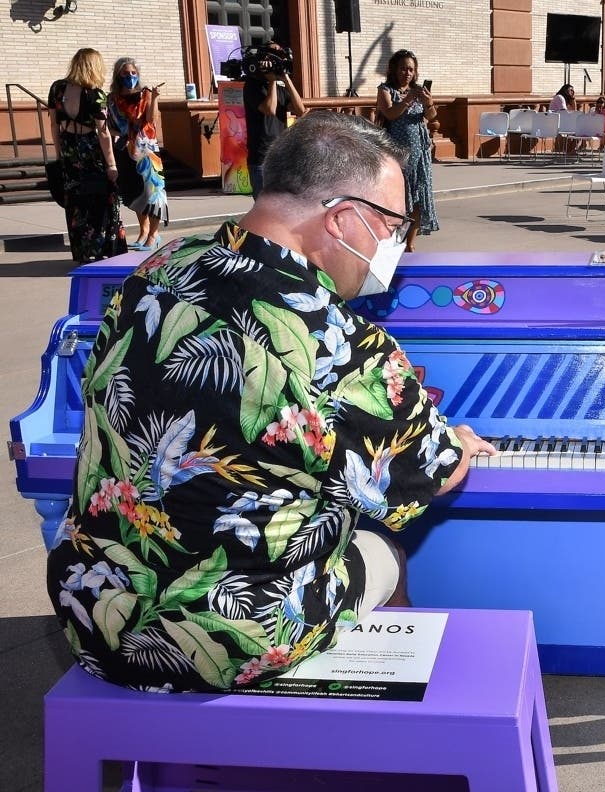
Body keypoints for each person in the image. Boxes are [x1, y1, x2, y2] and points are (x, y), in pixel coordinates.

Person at [45, 112, 497, 693]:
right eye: (390, 223)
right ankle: (376, 732)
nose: (395, 243)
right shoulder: (334, 338)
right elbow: (431, 472)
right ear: (341, 220)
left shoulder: (157, 268)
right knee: (383, 546)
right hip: (224, 642)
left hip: (93, 613)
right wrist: (454, 440)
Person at [47, 48, 127, 263]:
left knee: (76, 202)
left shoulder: (57, 88)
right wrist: (111, 164)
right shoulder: (96, 95)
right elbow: (103, 132)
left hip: (69, 150)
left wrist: (59, 154)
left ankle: (82, 251)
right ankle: (104, 248)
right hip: (91, 150)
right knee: (105, 198)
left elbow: (54, 125)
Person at [377, 49, 439, 252]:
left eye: (411, 69)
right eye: (403, 68)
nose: (407, 73)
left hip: (420, 152)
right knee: (398, 199)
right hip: (398, 153)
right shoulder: (386, 90)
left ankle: (410, 244)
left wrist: (428, 103)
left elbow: (431, 117)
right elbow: (390, 113)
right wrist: (407, 99)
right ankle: (395, 241)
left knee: (419, 197)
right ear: (395, 69)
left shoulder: (419, 90)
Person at [107, 57, 169, 251]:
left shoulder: (145, 94)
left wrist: (155, 97)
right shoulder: (112, 99)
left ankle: (154, 234)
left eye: (133, 73)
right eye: (126, 73)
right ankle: (144, 230)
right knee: (135, 192)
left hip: (147, 150)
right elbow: (109, 126)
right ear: (118, 75)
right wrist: (118, 135)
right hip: (125, 150)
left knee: (153, 192)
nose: (130, 77)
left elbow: (151, 120)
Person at [243, 41, 306, 199]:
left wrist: (286, 79)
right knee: (264, 206)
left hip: (281, 156)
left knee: (284, 204)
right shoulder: (253, 86)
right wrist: (271, 80)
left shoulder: (280, 89)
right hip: (261, 159)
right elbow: (269, 109)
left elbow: (300, 110)